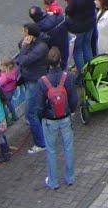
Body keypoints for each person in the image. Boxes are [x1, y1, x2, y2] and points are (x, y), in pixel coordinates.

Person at [37, 47, 77, 190]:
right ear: (60, 60)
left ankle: (53, 181)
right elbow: (73, 99)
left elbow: (39, 106)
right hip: (65, 117)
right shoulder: (68, 77)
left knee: (51, 150)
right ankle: (70, 177)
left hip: (49, 120)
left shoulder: (42, 82)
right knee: (68, 147)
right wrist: (70, 111)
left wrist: (42, 117)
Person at [14, 23, 49, 154]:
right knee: (36, 110)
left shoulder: (41, 47)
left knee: (30, 112)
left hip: (35, 81)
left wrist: (24, 47)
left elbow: (23, 60)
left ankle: (40, 142)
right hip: (30, 79)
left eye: (25, 32)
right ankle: (41, 130)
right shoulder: (34, 44)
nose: (23, 35)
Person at [64, 0, 96, 71]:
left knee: (78, 51)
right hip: (90, 24)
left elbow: (68, 10)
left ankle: (83, 74)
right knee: (87, 47)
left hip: (78, 27)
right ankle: (91, 69)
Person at [30, 4, 70, 72]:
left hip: (52, 48)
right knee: (64, 61)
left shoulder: (38, 29)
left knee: (52, 64)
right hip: (64, 42)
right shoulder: (57, 16)